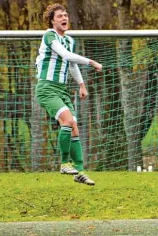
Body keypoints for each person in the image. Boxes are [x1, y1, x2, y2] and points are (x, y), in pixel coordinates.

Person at [35, 3, 102, 185]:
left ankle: (79, 171)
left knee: (74, 128)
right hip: (47, 87)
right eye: (59, 16)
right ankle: (64, 163)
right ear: (51, 20)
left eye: (65, 15)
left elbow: (71, 64)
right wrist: (91, 62)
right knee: (68, 121)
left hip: (62, 89)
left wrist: (81, 85)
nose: (64, 18)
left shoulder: (70, 40)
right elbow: (66, 55)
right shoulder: (50, 35)